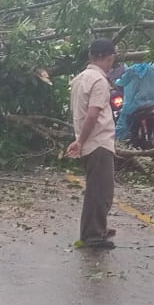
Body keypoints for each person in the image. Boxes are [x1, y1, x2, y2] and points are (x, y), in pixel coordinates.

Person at [67, 39, 119, 250]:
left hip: (90, 141)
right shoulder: (99, 81)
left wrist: (80, 138)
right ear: (109, 58)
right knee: (101, 192)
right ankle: (92, 235)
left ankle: (97, 228)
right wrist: (80, 141)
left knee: (97, 188)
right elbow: (92, 114)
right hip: (98, 142)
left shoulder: (80, 79)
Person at [114, 61, 154, 141]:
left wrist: (115, 82)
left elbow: (122, 82)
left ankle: (119, 141)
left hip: (138, 104)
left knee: (123, 121)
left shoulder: (133, 70)